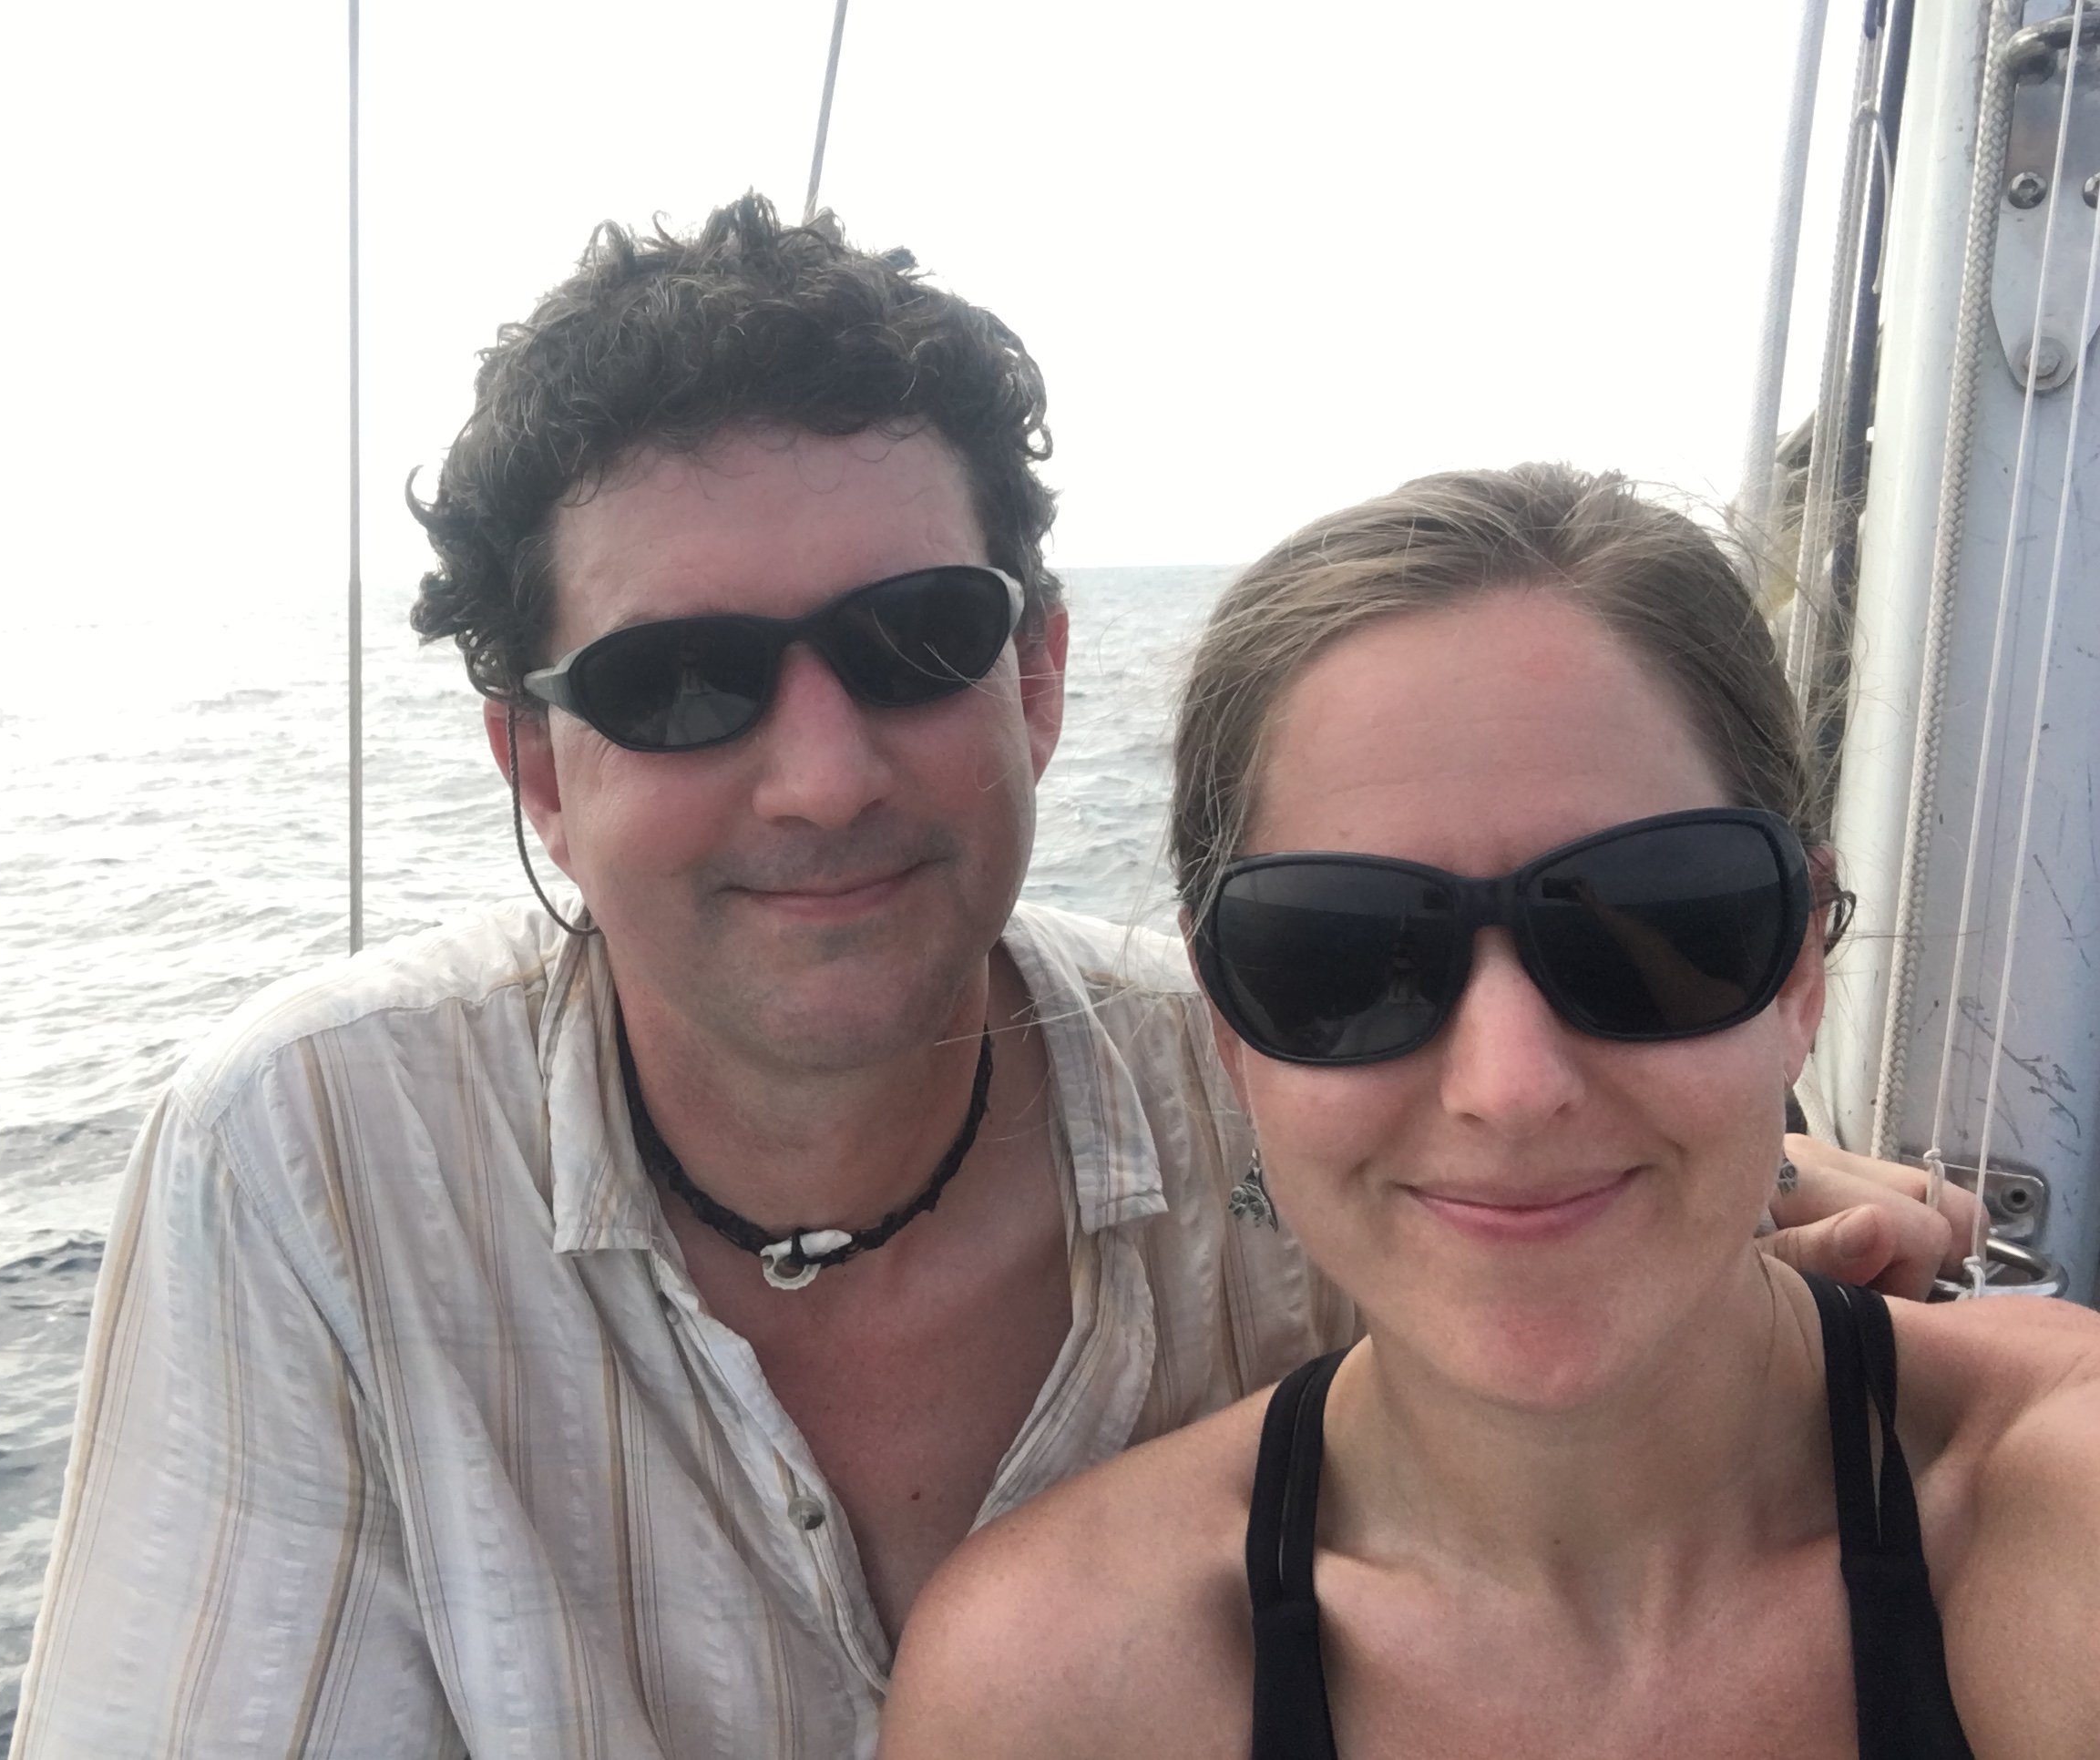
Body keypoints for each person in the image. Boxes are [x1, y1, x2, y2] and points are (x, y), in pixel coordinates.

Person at [11, 203, 1972, 1758]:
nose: (821, 774)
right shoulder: (316, 1162)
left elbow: (1528, 1110)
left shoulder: (1286, 1060)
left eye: (913, 640)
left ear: (1034, 676)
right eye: (676, 684)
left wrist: (1766, 1177)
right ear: (536, 763)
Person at [879, 464, 2100, 1760]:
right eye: (1344, 955)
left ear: (1799, 964)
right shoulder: (1054, 1692)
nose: (1509, 1089)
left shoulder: (2057, 1508)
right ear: (1228, 1023)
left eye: (1649, 923)